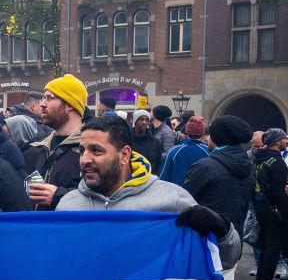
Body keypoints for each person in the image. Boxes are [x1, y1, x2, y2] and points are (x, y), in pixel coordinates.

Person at [57, 114, 241, 268]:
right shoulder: (68, 205)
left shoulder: (172, 200)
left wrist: (222, 230)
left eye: (96, 151)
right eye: (82, 151)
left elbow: (226, 259)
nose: (84, 160)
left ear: (125, 155)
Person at [182, 115, 255, 251]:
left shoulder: (205, 166)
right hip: (233, 242)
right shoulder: (248, 166)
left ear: (217, 138)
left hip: (205, 241)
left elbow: (184, 202)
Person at [23, 74, 88, 211]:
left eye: (49, 98)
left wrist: (58, 196)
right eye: (43, 98)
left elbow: (101, 195)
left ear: (70, 105)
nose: (42, 104)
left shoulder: (90, 148)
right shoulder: (40, 147)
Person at [251, 128, 288, 280]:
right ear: (277, 141)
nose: (286, 141)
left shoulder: (259, 160)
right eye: (284, 138)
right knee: (273, 248)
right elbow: (279, 192)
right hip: (275, 211)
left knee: (265, 246)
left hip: (261, 208)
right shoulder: (277, 163)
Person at [159, 116, 209, 186]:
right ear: (203, 133)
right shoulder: (208, 151)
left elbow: (164, 178)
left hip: (177, 193)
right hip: (201, 194)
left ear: (187, 131)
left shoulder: (174, 151)